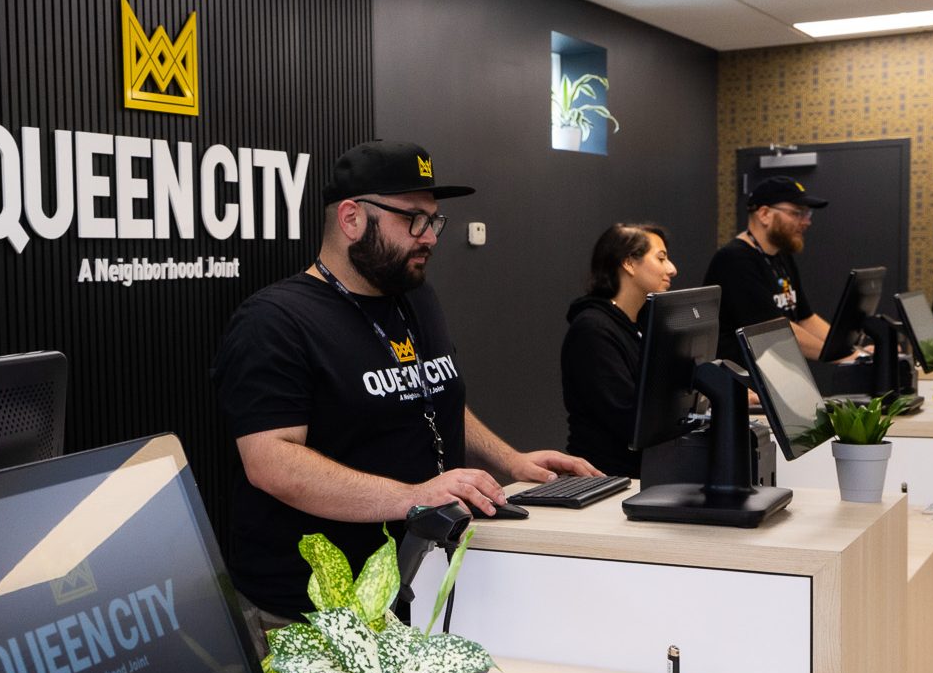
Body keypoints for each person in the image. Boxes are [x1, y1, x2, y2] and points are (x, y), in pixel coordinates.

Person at [212, 140, 599, 622]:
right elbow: (271, 462)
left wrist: (511, 462)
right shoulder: (274, 321)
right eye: (413, 219)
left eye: (434, 220)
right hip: (313, 612)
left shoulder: (415, 298)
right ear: (352, 219)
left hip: (418, 584)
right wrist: (413, 497)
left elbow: (431, 397)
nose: (430, 237)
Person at [560, 222, 677, 478]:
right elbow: (628, 417)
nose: (672, 269)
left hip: (647, 470)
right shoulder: (592, 330)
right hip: (607, 477)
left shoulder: (645, 322)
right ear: (629, 263)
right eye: (661, 258)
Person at [704, 176, 831, 363]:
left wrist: (851, 350)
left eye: (807, 214)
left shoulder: (781, 256)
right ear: (764, 214)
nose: (806, 222)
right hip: (741, 385)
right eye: (797, 213)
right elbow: (775, 331)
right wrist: (838, 355)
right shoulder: (734, 260)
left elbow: (806, 318)